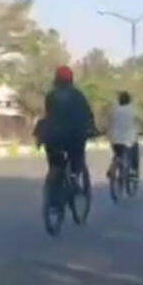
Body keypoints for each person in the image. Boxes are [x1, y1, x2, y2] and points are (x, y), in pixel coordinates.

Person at [41, 66, 96, 204]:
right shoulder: (78, 95)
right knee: (77, 157)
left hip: (53, 137)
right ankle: (74, 178)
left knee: (55, 163)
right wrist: (92, 129)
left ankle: (53, 193)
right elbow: (87, 115)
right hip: (74, 137)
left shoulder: (51, 95)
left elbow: (48, 115)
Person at [107, 91, 140, 178]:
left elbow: (109, 123)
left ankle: (113, 167)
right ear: (129, 100)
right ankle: (133, 170)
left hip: (115, 139)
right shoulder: (133, 110)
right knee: (134, 153)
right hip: (129, 139)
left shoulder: (114, 110)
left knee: (117, 154)